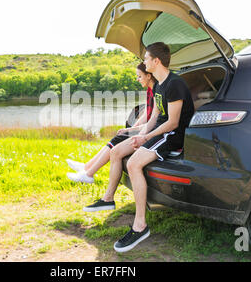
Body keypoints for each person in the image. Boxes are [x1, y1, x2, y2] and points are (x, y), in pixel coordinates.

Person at [82, 42, 195, 253]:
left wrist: (146, 138)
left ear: (156, 61)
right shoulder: (160, 85)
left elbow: (172, 123)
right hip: (159, 132)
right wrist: (136, 133)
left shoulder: (175, 84)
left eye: (145, 59)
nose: (143, 62)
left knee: (133, 164)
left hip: (172, 136)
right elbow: (154, 117)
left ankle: (140, 225)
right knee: (116, 151)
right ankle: (107, 200)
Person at [66, 62, 155, 187]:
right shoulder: (150, 90)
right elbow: (146, 114)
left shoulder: (156, 91)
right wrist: (131, 129)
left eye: (139, 76)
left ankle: (88, 173)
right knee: (118, 137)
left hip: (149, 132)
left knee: (118, 139)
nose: (137, 79)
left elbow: (153, 120)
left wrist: (134, 131)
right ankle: (86, 167)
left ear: (149, 76)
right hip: (143, 129)